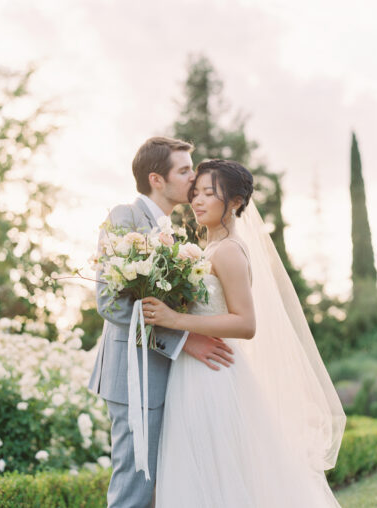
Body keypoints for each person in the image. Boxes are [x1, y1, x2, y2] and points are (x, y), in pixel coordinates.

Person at [142, 159, 346, 507]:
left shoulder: (230, 251)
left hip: (217, 375)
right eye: (195, 193)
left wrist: (175, 321)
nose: (198, 201)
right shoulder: (204, 250)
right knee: (199, 471)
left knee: (223, 470)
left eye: (209, 192)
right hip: (192, 372)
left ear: (235, 202)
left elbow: (245, 323)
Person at [88, 138, 235, 508]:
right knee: (135, 486)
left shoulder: (174, 231)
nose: (194, 176)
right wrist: (185, 340)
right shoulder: (125, 217)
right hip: (133, 375)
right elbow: (110, 304)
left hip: (169, 375)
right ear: (156, 178)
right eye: (184, 170)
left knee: (162, 487)